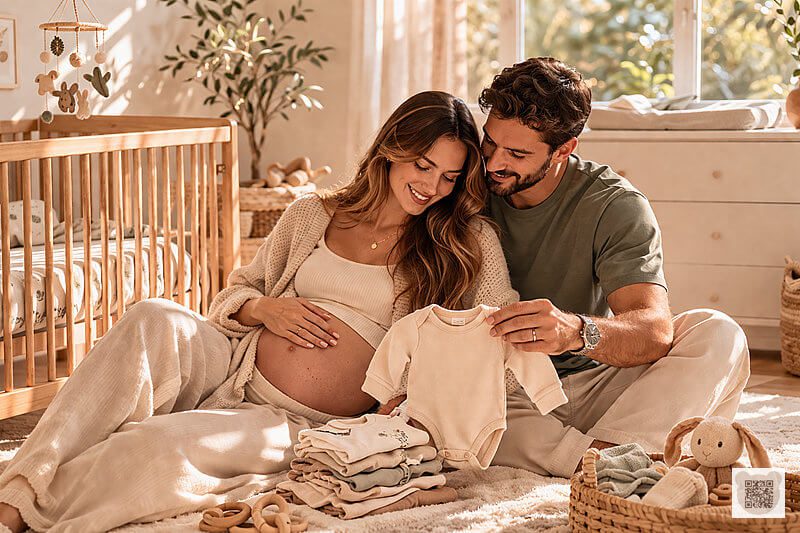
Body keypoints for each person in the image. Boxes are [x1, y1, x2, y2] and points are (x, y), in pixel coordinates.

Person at [0, 90, 518, 532]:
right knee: (150, 315)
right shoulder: (313, 213)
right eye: (422, 166)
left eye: (450, 177)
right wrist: (265, 309)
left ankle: (31, 512)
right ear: (390, 150)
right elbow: (231, 296)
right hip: (232, 361)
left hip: (302, 422)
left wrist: (416, 403)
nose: (432, 186)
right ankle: (17, 489)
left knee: (150, 449)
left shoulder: (465, 241)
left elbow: (496, 348)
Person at [479, 57, 750, 478]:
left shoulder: (614, 204)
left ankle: (595, 458)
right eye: (490, 142)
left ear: (564, 148)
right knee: (465, 414)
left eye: (516, 153)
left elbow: (654, 331)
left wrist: (574, 332)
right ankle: (622, 463)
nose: (494, 163)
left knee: (719, 332)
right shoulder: (464, 183)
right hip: (506, 394)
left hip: (596, 385)